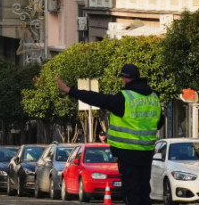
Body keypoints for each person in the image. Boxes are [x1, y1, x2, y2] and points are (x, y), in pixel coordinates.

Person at [56, 64, 162, 205]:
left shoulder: (124, 98)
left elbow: (96, 98)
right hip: (147, 152)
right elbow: (159, 123)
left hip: (127, 153)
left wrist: (71, 91)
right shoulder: (153, 98)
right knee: (143, 191)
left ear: (125, 79)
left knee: (131, 192)